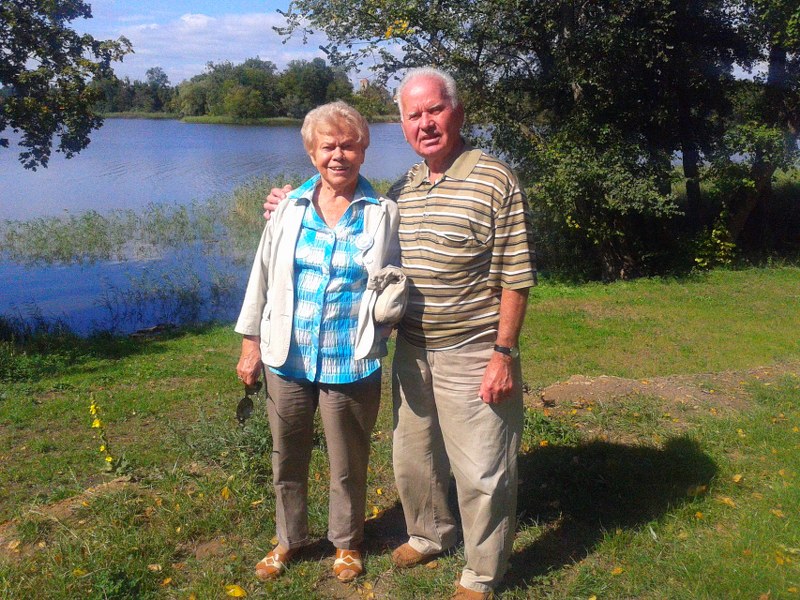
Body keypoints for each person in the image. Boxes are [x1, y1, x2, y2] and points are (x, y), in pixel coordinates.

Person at [265, 68, 536, 600]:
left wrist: (503, 353)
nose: (425, 123)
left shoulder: (495, 179)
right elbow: (345, 209)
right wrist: (288, 201)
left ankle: (482, 574)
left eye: (435, 110)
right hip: (412, 349)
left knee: (482, 469)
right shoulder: (403, 189)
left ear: (458, 113)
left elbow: (516, 275)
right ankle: (430, 534)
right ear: (404, 125)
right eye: (414, 115)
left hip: (473, 348)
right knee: (415, 459)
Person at [236, 101, 401, 584]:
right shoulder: (288, 207)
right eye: (328, 146)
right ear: (312, 153)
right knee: (287, 456)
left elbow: (398, 273)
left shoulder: (383, 212)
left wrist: (390, 319)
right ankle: (289, 539)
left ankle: (347, 542)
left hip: (351, 358)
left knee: (348, 461)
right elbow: (261, 278)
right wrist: (250, 345)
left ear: (363, 151)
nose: (338, 155)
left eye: (349, 145)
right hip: (287, 356)